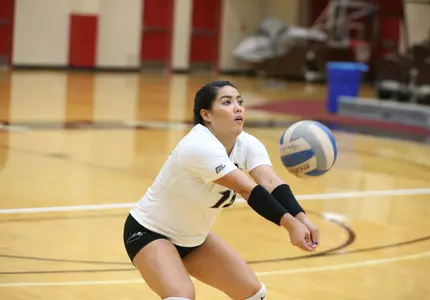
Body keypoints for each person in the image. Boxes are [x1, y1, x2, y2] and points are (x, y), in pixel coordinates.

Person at [123, 81, 319, 300]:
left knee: (253, 293)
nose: (237, 107)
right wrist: (290, 225)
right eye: (227, 102)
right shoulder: (198, 145)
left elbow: (270, 182)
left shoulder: (247, 143)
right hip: (149, 232)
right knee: (182, 295)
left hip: (194, 240)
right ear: (206, 115)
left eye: (239, 102)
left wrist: (302, 219)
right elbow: (247, 189)